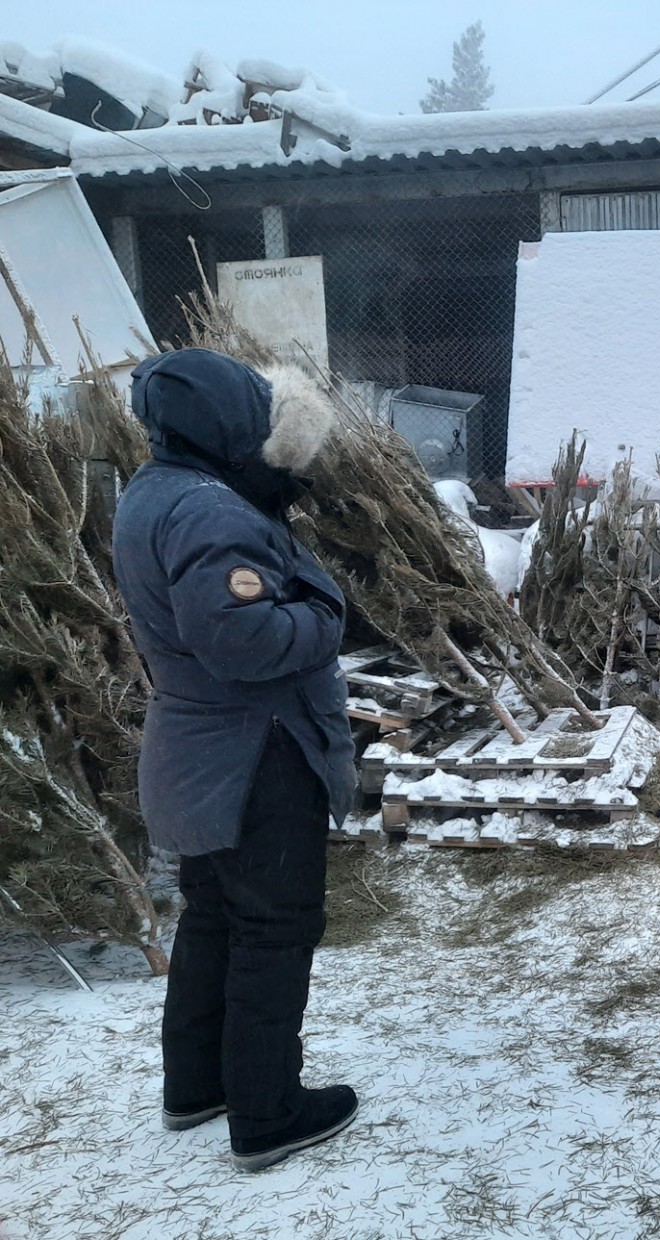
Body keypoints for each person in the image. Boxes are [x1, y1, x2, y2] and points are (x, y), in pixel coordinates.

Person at [112, 347, 359, 1173]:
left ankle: (197, 1084)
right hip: (254, 753)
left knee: (216, 916)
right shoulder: (209, 511)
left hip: (196, 750)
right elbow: (245, 642)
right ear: (225, 422)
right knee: (274, 927)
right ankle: (267, 1111)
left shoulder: (152, 492)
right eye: (253, 409)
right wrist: (327, 613)